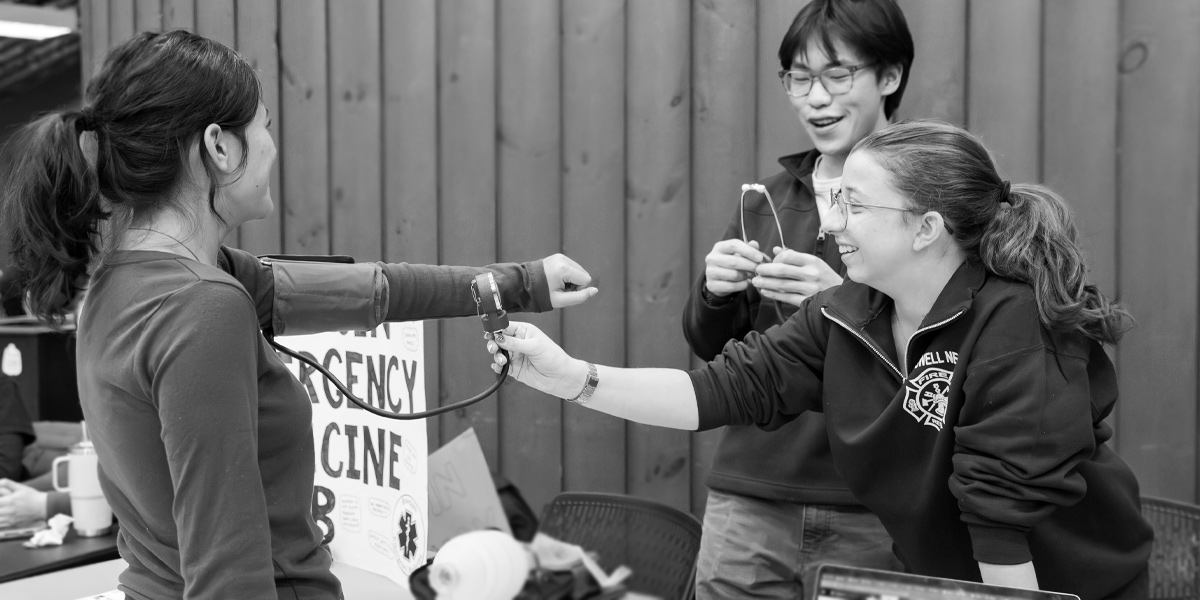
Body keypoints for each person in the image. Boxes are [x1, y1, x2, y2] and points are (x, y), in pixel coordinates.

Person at [1, 30, 596, 600]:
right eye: (264, 128)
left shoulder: (126, 278)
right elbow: (227, 570)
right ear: (218, 145)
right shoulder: (203, 306)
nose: (272, 148)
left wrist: (520, 284)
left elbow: (369, 290)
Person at [489, 120, 1153, 600]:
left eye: (854, 205)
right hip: (949, 582)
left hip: (1060, 584)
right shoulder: (844, 312)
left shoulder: (1015, 325)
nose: (832, 223)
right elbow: (717, 391)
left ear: (926, 228)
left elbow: (1001, 522)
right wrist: (573, 377)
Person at [683, 1, 912, 595]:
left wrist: (844, 301)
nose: (815, 98)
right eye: (798, 78)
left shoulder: (932, 195)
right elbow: (714, 348)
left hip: (879, 501)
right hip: (750, 490)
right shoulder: (767, 198)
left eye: (837, 76)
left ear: (889, 77)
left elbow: (960, 344)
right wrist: (714, 292)